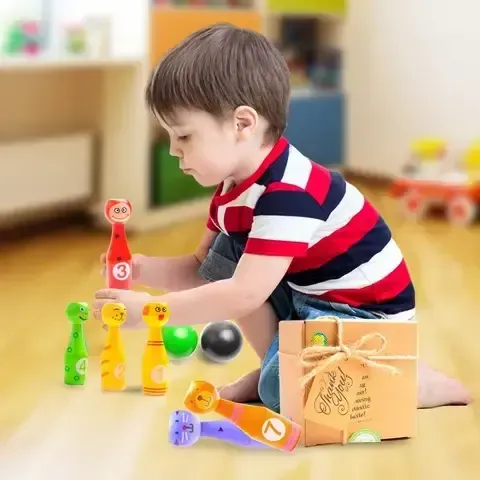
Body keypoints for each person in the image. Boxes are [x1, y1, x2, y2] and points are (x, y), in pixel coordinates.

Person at [93, 24, 471, 411]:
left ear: (243, 123)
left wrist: (152, 314)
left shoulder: (289, 194)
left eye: (184, 136)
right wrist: (140, 270)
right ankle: (278, 363)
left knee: (286, 397)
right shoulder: (233, 188)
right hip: (312, 297)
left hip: (364, 317)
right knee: (228, 254)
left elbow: (245, 294)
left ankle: (412, 383)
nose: (174, 150)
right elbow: (202, 269)